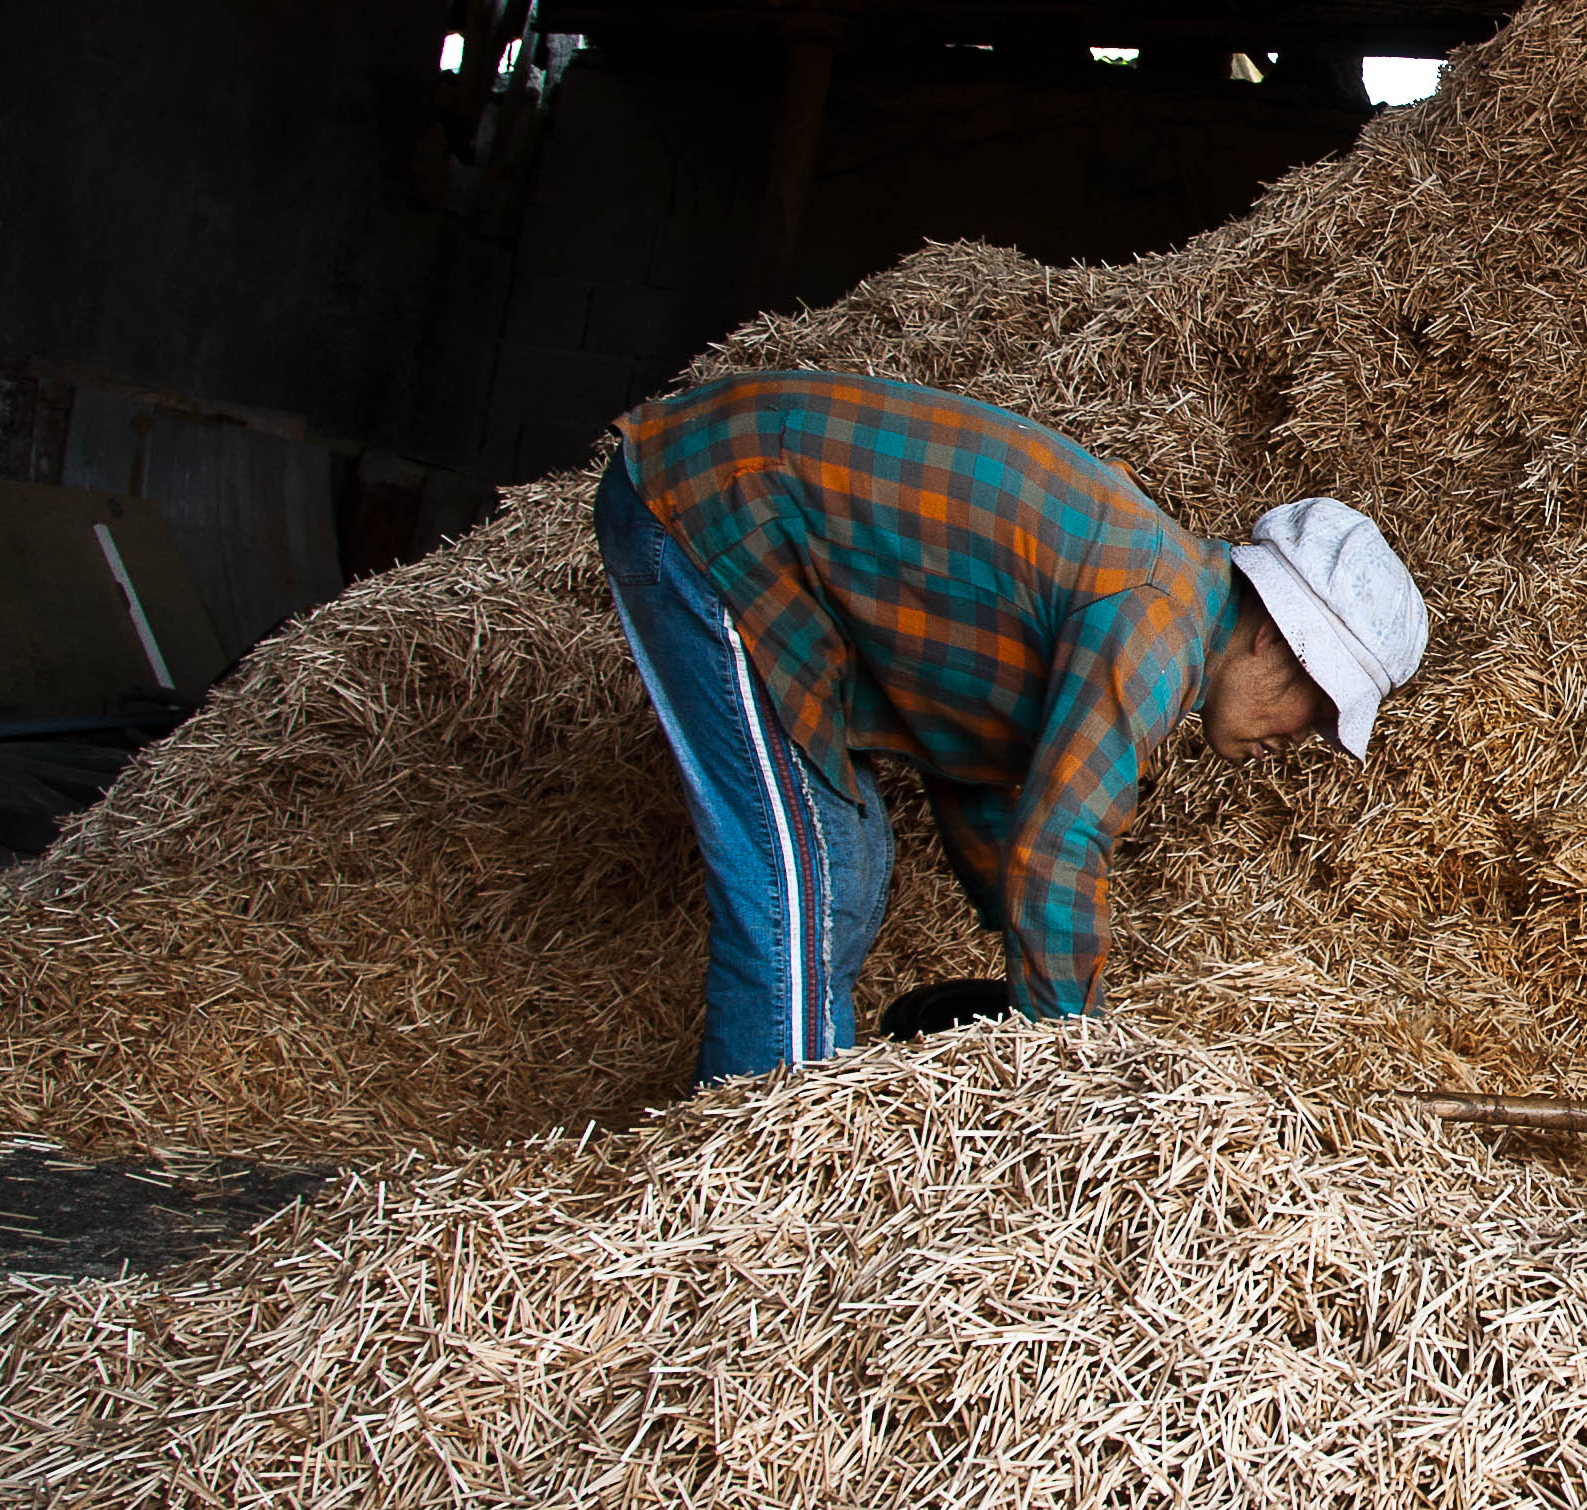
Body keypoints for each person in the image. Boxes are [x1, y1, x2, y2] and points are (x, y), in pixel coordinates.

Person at [589, 367, 1426, 1082]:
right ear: (1275, 636)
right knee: (803, 888)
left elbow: (978, 771)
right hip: (715, 506)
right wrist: (1075, 1063)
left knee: (857, 856)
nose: (1306, 734)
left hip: (753, 513)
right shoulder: (1153, 625)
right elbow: (1059, 847)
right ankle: (753, 1187)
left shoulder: (1159, 595)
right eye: (1319, 704)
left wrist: (1020, 938)